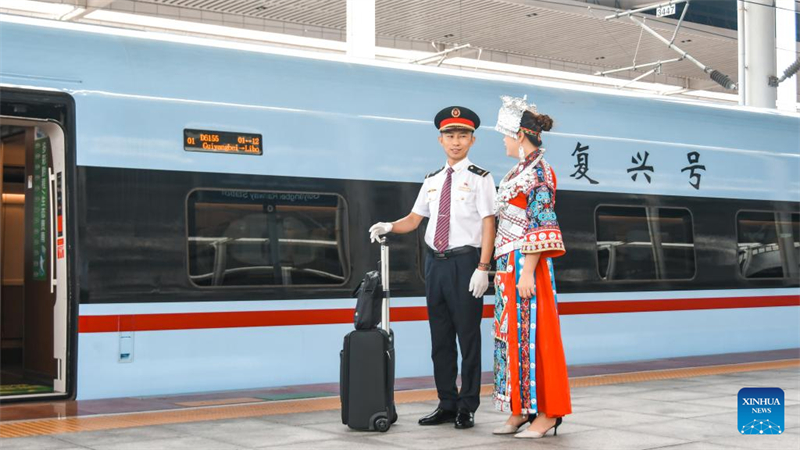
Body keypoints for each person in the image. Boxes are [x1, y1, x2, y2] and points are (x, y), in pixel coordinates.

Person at [369, 106, 496, 430]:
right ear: (440, 140)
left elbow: (488, 223)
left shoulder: (481, 178)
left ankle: (467, 405)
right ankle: (446, 403)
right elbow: (414, 220)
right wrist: (389, 225)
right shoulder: (432, 180)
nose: (456, 142)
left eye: (463, 136)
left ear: (473, 140)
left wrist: (483, 267)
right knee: (440, 339)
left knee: (467, 339)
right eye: (450, 135)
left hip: (466, 262)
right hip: (435, 265)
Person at [490, 95, 571, 439]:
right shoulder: (517, 171)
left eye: (506, 135)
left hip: (527, 262)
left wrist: (526, 272)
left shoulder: (539, 172)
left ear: (520, 135)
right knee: (512, 338)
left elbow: (541, 223)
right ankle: (520, 407)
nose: (504, 142)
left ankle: (549, 412)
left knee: (537, 337)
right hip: (508, 262)